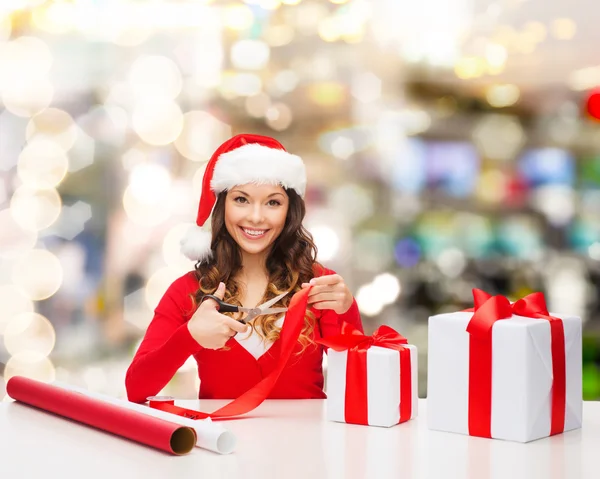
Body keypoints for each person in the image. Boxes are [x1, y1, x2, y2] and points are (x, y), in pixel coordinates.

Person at [125, 134, 363, 403]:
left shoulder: (320, 286)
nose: (256, 217)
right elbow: (136, 388)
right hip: (221, 444)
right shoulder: (187, 291)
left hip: (309, 443)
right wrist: (189, 337)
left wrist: (347, 311)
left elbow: (362, 388)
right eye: (241, 199)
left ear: (289, 211)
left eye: (273, 202)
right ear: (222, 204)